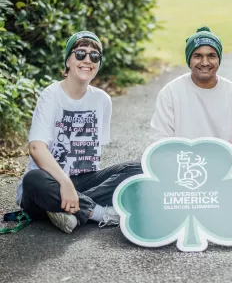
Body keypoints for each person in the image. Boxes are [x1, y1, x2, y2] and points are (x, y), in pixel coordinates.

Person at [16, 31, 143, 234]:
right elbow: (36, 148)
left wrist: (71, 189)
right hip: (47, 183)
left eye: (94, 56)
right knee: (33, 180)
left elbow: (93, 155)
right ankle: (100, 213)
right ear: (68, 61)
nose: (87, 60)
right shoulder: (51, 95)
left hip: (82, 181)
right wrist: (64, 183)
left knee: (139, 169)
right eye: (80, 53)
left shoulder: (102, 100)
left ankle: (67, 209)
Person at [150, 26, 232, 172]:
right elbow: (160, 139)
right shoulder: (170, 92)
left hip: (226, 167)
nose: (204, 62)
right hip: (182, 168)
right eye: (197, 56)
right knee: (136, 169)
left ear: (219, 59)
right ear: (189, 59)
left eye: (211, 56)